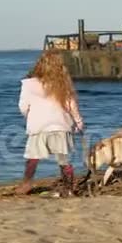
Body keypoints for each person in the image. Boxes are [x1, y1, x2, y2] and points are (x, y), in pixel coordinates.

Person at [15, 51, 84, 197]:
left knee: (32, 158)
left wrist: (30, 116)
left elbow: (22, 106)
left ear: (39, 65)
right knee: (63, 160)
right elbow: (71, 105)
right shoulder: (63, 84)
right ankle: (69, 188)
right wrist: (78, 122)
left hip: (39, 126)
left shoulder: (29, 84)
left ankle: (26, 184)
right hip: (60, 124)